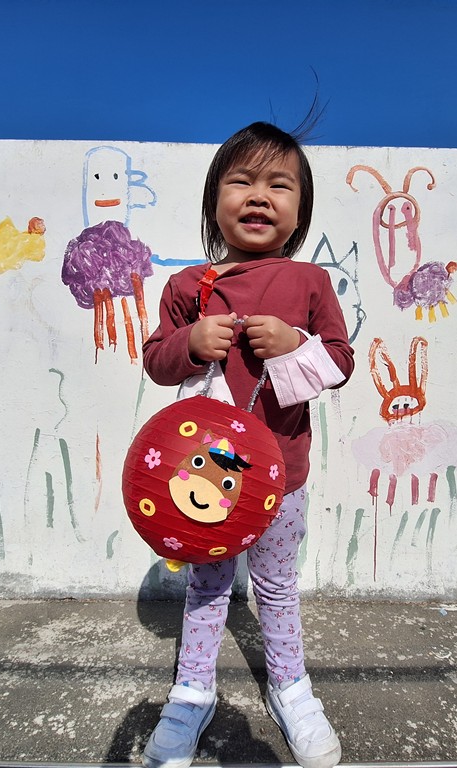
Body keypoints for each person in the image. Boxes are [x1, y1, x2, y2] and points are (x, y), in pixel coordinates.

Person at [140, 120, 355, 768]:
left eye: (279, 185)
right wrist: (189, 342)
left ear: (299, 211)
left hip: (281, 476)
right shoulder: (187, 287)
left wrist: (295, 344)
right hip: (202, 479)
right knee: (207, 588)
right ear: (215, 202)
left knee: (277, 587)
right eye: (242, 181)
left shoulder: (311, 282)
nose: (260, 195)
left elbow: (341, 363)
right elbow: (157, 361)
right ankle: (191, 693)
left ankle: (292, 690)